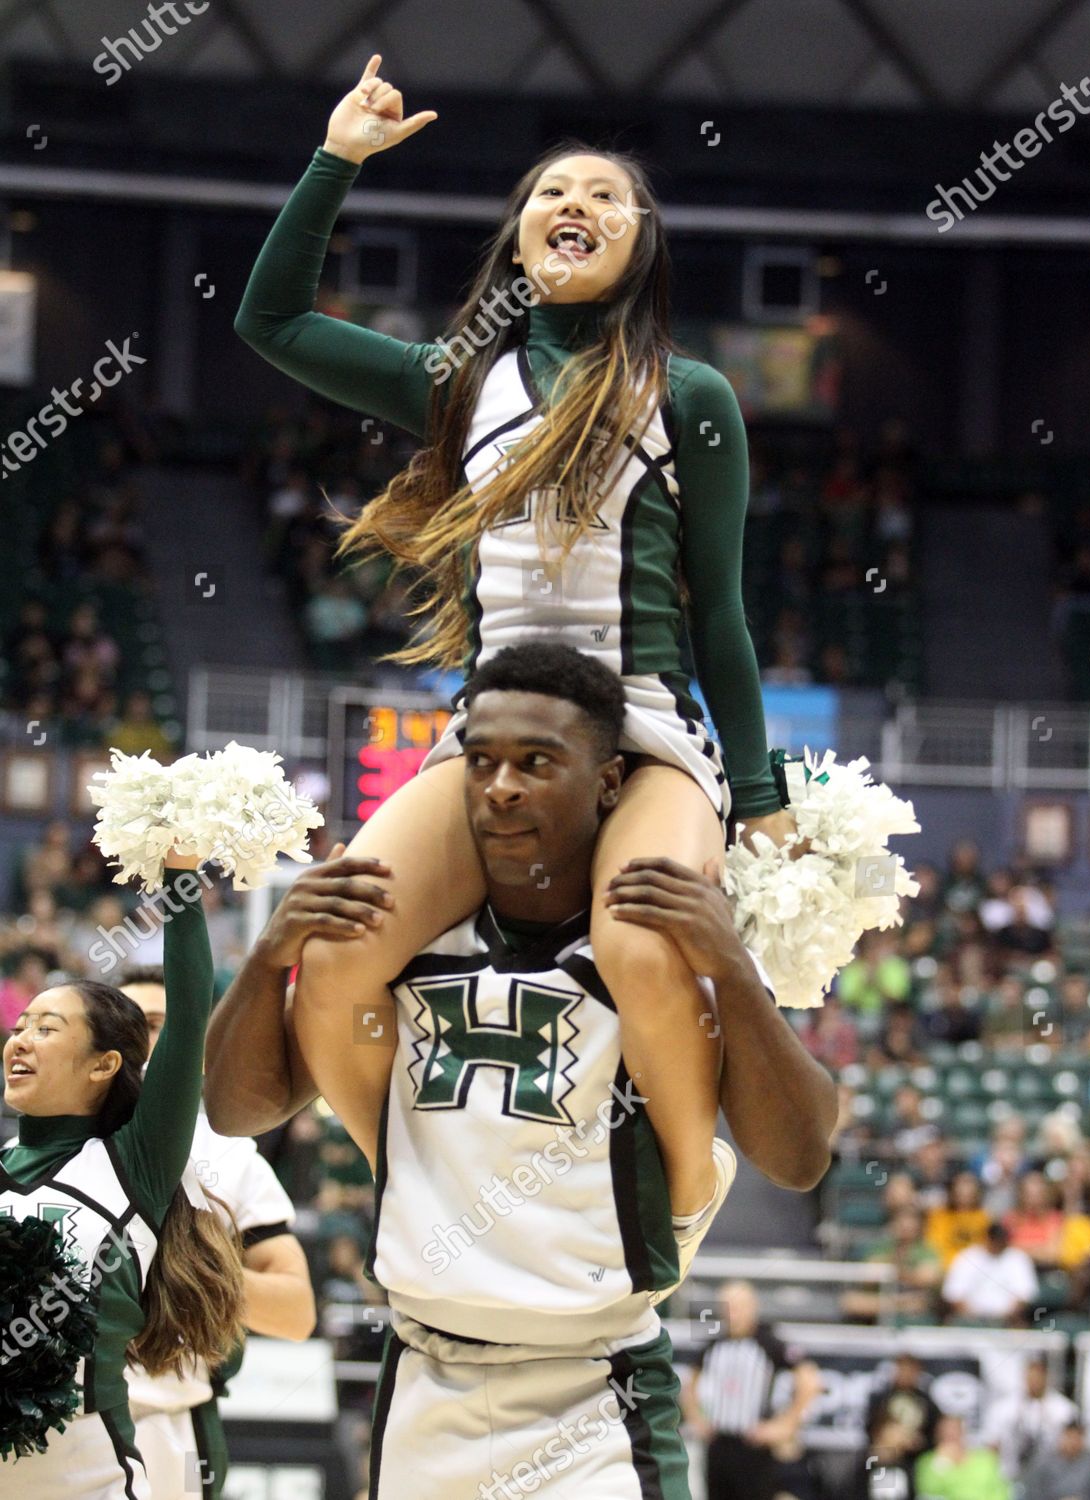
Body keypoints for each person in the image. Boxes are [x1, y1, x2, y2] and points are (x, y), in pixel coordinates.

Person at [233, 53, 802, 1229]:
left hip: (640, 725)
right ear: (519, 238)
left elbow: (723, 610)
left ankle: (680, 1189)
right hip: (489, 731)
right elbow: (270, 320)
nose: (575, 206)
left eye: (605, 194)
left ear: (642, 243)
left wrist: (763, 792)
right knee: (336, 959)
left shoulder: (688, 395)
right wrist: (335, 159)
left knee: (641, 949)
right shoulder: (459, 382)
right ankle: (414, 1185)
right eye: (551, 192)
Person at [206, 644, 837, 1497]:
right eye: (482, 762)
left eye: (537, 763)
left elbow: (800, 1158)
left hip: (594, 1383)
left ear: (610, 782)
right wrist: (264, 960)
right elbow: (238, 1110)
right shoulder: (395, 942)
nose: (501, 786)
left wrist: (731, 967)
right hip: (424, 1368)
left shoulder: (661, 940)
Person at [0, 852, 242, 1499]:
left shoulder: (130, 1163)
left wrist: (180, 877)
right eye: (19, 1026)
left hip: (86, 1480)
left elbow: (190, 1014)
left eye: (46, 1028)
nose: (19, 1041)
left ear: (105, 1064)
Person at [118, 965, 316, 1500]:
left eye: (158, 1023)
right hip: (54, 1413)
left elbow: (297, 1313)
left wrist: (179, 1269)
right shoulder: (52, 1148)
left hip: (169, 1418)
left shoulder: (232, 1157)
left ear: (195, 1049)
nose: (140, 1037)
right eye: (124, 1023)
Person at [681, 1281, 821, 1500]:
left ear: (752, 1307)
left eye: (737, 1307)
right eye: (726, 1307)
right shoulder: (714, 1344)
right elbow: (689, 1383)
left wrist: (787, 1424)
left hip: (754, 1445)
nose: (731, 1314)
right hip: (719, 1443)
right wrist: (696, 1418)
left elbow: (809, 1379)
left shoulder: (768, 1342)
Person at [982, 1354, 1078, 1484]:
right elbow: (991, 1444)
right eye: (1031, 1375)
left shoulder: (1064, 1410)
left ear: (1047, 1377)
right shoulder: (1003, 1408)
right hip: (1010, 1475)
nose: (1034, 1381)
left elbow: (1073, 1447)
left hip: (1050, 1479)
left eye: (1039, 1375)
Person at [862, 1351, 941, 1496]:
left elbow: (935, 1435)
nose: (905, 1374)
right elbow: (869, 1428)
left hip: (914, 1462)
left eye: (909, 1370)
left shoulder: (927, 1403)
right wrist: (886, 1441)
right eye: (901, 1369)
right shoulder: (881, 1399)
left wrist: (916, 1443)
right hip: (882, 1458)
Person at [941, 1220, 1037, 1326]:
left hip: (1007, 1320)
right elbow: (954, 1294)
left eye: (1001, 1240)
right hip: (970, 1319)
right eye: (994, 1240)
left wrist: (1004, 1318)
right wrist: (973, 1319)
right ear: (986, 1238)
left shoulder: (1018, 1258)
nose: (997, 1244)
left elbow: (1025, 1295)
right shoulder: (968, 1256)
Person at [914, 1414, 1011, 1500]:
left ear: (962, 1433)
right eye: (946, 1433)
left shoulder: (984, 1459)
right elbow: (928, 1491)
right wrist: (942, 1462)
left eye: (954, 1432)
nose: (951, 1436)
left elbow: (1000, 1491)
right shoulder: (928, 1462)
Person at [1023, 1422, 1090, 1500]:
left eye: (1077, 1438)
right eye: (1069, 1437)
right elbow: (1033, 1492)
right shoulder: (1043, 1462)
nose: (1073, 1443)